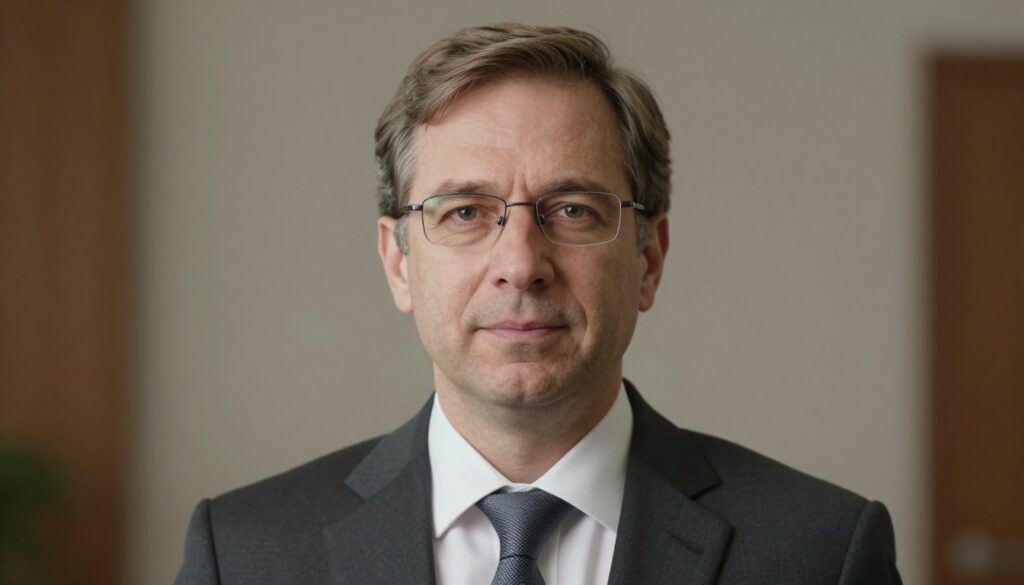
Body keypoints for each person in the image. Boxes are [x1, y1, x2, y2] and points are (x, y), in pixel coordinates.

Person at [175, 23, 901, 585]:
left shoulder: (820, 550)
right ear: (398, 261)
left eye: (573, 210)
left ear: (648, 258)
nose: (521, 264)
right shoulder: (244, 553)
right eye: (464, 212)